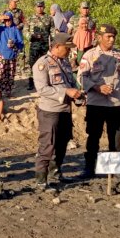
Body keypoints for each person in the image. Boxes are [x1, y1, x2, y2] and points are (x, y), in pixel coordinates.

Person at [76, 24, 120, 180]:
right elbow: (81, 77)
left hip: (114, 103)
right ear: (99, 37)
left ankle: (116, 170)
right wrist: (97, 87)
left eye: (113, 36)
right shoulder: (90, 55)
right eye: (108, 36)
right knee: (93, 136)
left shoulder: (119, 55)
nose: (112, 39)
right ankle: (89, 169)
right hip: (96, 103)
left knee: (116, 137)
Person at [32, 33, 81, 188]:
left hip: (65, 109)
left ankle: (56, 170)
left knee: (62, 142)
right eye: (67, 49)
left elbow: (70, 83)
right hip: (49, 111)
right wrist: (65, 93)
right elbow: (42, 89)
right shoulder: (42, 64)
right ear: (57, 46)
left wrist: (77, 95)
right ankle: (41, 179)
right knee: (48, 144)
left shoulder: (65, 62)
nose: (69, 52)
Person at [23, 1, 55, 90]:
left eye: (41, 6)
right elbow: (25, 31)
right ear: (35, 8)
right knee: (32, 64)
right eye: (38, 7)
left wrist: (53, 42)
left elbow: (52, 31)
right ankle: (31, 82)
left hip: (45, 46)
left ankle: (44, 82)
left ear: (44, 7)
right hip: (34, 45)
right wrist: (31, 36)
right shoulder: (30, 18)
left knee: (45, 63)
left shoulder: (49, 18)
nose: (39, 8)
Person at [0, 12, 24, 97]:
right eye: (5, 20)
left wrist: (15, 45)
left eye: (9, 20)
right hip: (0, 55)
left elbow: (21, 42)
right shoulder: (0, 29)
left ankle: (8, 91)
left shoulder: (15, 29)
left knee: (10, 74)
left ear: (12, 20)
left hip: (12, 55)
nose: (7, 22)